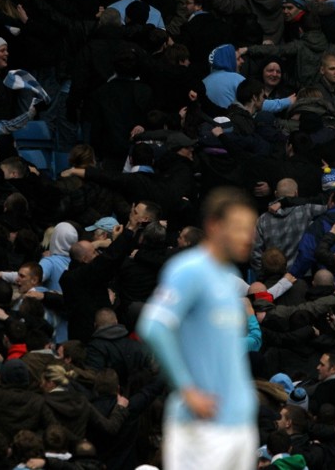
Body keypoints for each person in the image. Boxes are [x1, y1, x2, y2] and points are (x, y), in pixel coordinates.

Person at [137, 187, 259, 470]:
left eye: (250, 228)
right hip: (202, 425)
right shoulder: (188, 269)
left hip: (238, 422)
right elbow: (153, 326)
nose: (248, 236)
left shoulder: (229, 276)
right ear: (215, 226)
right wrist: (187, 389)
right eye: (239, 228)